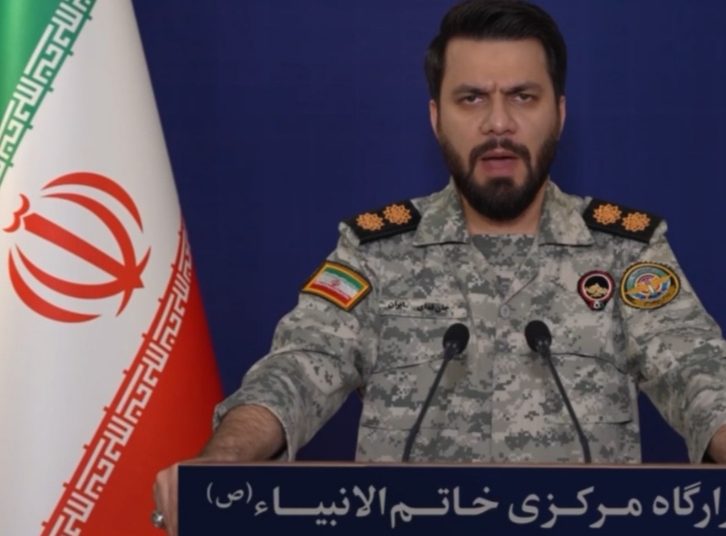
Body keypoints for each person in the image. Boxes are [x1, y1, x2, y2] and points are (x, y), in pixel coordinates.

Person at [152, 0, 726, 532]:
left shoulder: (625, 251)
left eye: (523, 97)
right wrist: (220, 465)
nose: (498, 123)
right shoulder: (373, 251)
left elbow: (698, 373)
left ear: (559, 113)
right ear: (436, 117)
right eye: (471, 98)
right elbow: (301, 367)